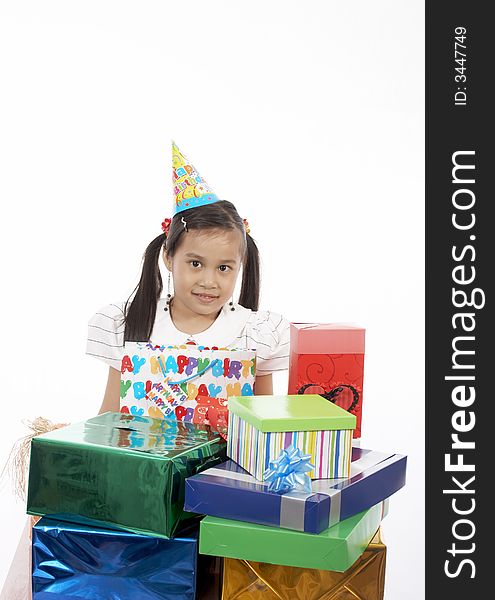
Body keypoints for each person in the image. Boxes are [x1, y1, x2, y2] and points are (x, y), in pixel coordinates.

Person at [86, 143, 289, 417]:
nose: (209, 281)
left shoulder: (254, 334)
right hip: (145, 459)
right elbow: (109, 417)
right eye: (196, 264)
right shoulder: (132, 321)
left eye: (224, 268)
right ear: (169, 257)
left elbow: (265, 423)